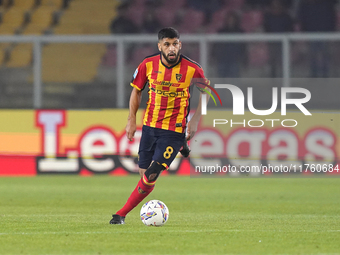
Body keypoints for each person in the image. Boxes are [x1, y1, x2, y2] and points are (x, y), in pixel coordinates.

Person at [110, 27, 208, 224]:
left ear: (180, 44)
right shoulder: (147, 65)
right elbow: (136, 92)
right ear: (160, 46)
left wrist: (195, 120)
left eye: (175, 44)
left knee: (152, 173)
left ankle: (120, 214)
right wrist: (131, 120)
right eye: (167, 44)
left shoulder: (192, 68)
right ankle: (183, 145)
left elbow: (207, 93)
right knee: (145, 176)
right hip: (150, 127)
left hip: (173, 130)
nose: (171, 48)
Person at [297, 0, 337, 77]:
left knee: (325, 53)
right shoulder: (305, 4)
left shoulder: (327, 4)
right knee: (312, 53)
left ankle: (325, 72)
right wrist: (304, 32)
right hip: (310, 33)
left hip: (325, 33)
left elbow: (332, 17)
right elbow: (301, 18)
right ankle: (313, 72)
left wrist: (332, 32)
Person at [263, 0, 294, 77]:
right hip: (272, 41)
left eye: (277, 4)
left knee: (283, 60)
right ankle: (273, 75)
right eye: (274, 4)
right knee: (273, 59)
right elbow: (266, 27)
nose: (276, 6)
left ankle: (284, 75)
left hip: (284, 42)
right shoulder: (268, 16)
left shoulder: (286, 16)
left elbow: (290, 28)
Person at [212, 11, 246, 78]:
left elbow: (243, 47)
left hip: (235, 60)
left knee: (234, 81)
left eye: (232, 19)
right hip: (222, 59)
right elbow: (216, 45)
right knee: (221, 82)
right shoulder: (221, 32)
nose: (231, 21)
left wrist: (244, 60)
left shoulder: (240, 32)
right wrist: (214, 56)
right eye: (229, 19)